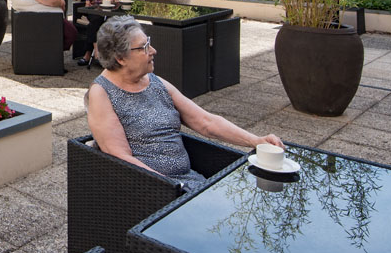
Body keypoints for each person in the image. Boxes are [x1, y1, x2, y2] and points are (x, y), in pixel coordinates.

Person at [86, 15, 283, 191]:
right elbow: (120, 156)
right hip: (152, 191)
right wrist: (170, 188)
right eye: (144, 47)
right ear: (120, 58)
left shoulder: (156, 82)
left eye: (149, 43)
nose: (153, 50)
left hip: (188, 181)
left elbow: (206, 121)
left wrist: (256, 140)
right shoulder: (102, 93)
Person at [75, 0, 123, 68]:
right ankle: (97, 51)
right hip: (94, 13)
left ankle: (88, 54)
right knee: (95, 20)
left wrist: (112, 3)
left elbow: (122, 1)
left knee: (95, 25)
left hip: (110, 14)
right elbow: (88, 5)